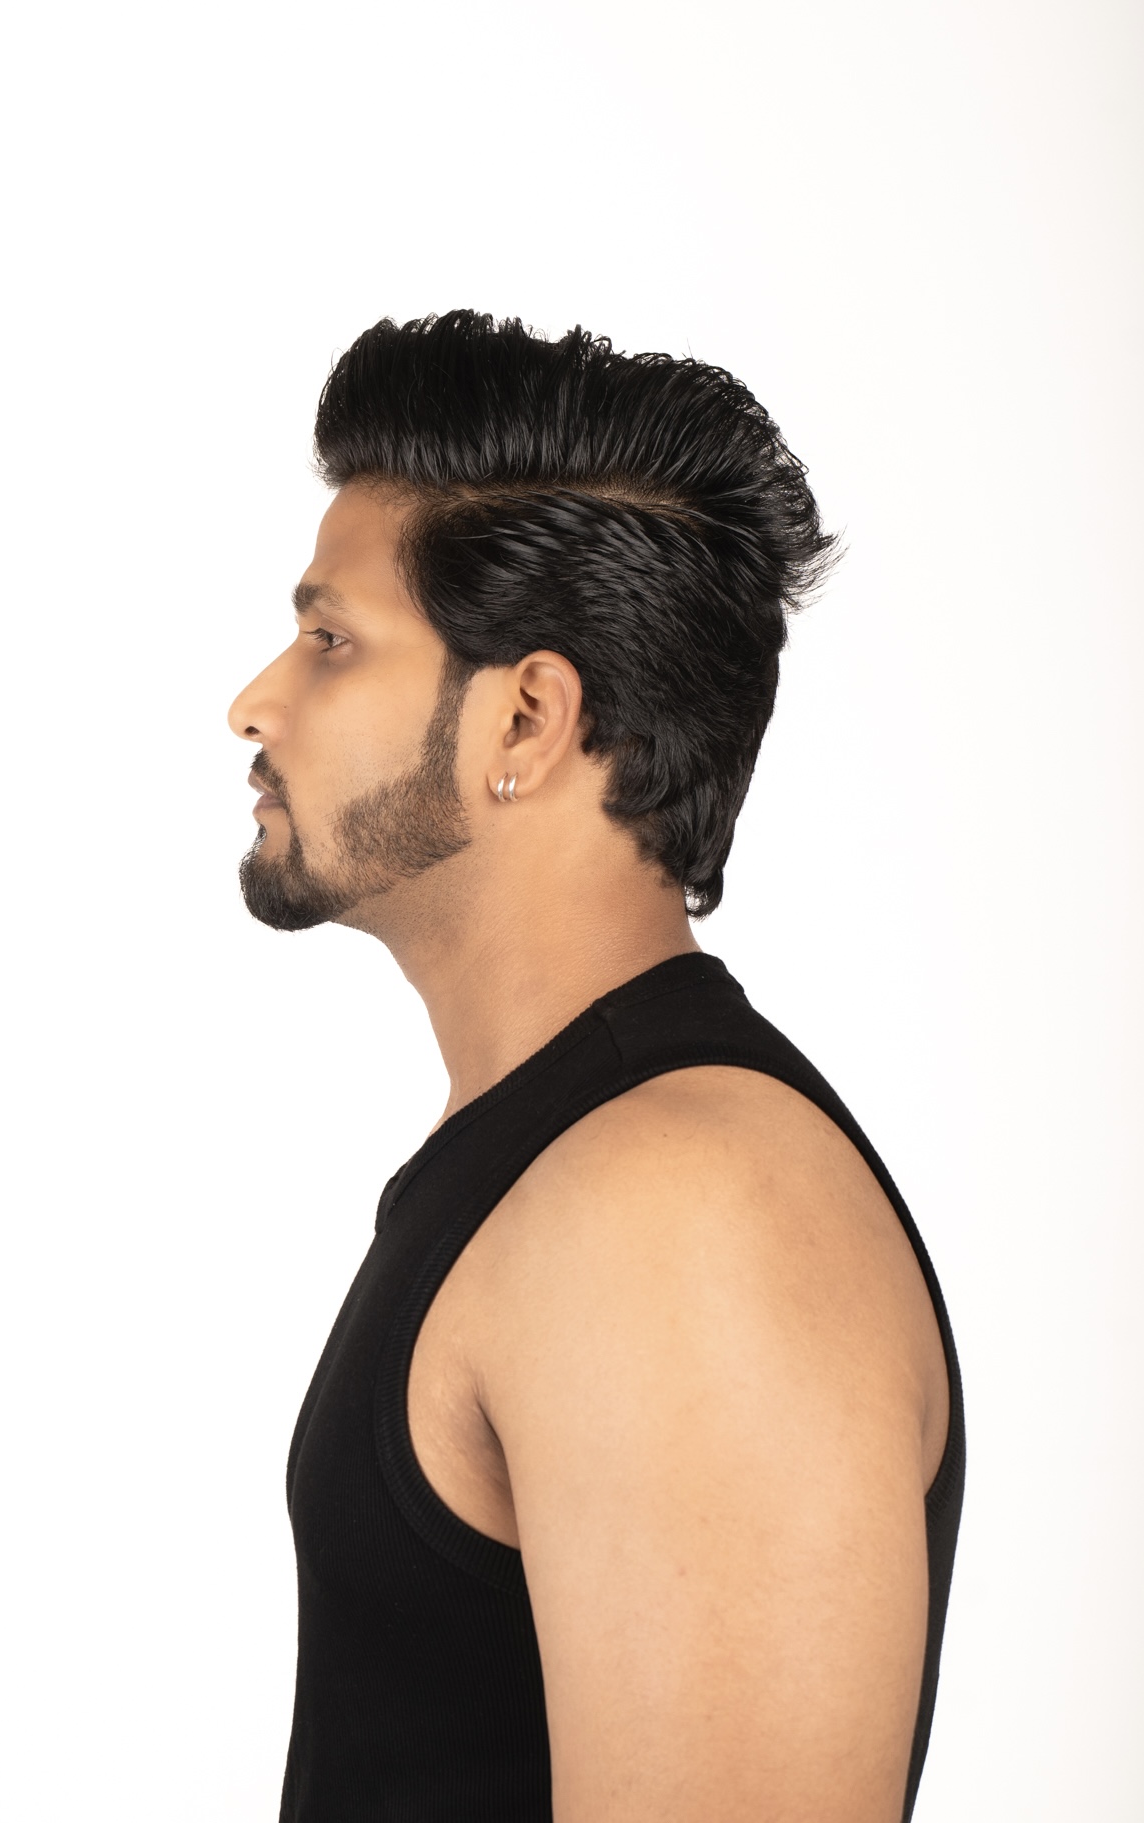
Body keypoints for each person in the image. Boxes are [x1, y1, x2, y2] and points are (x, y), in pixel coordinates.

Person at [227, 310, 964, 1823]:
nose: (256, 702)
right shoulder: (568, 1163)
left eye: (330, 641)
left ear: (526, 718)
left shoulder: (684, 1216)